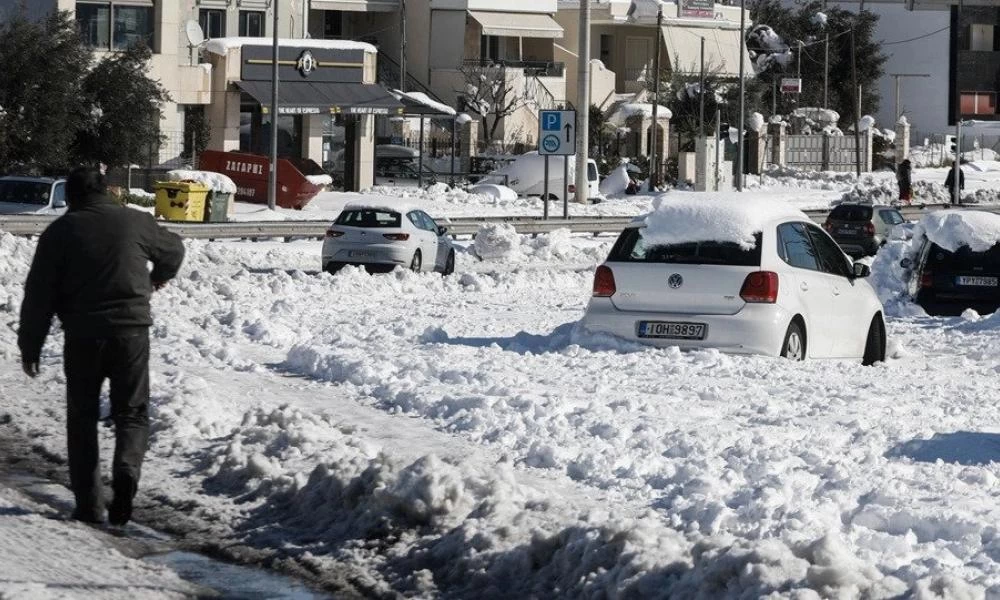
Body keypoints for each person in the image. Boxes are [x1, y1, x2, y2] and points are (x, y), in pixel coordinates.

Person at [18, 166, 185, 526]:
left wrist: (30, 345)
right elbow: (174, 249)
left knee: (82, 419)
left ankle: (90, 506)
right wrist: (157, 278)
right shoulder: (135, 221)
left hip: (83, 336)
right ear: (107, 190)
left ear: (71, 197)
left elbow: (38, 295)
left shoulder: (60, 232)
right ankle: (126, 471)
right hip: (132, 334)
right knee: (133, 413)